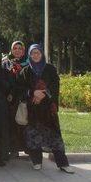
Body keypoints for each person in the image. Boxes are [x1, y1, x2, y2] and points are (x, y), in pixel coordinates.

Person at [16, 44, 74, 174]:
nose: (35, 55)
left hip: (48, 109)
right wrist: (32, 93)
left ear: (42, 54)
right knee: (33, 135)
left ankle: (63, 163)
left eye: (38, 53)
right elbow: (19, 89)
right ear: (29, 55)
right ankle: (36, 161)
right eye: (33, 53)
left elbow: (55, 86)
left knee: (55, 136)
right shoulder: (25, 71)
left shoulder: (50, 69)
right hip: (32, 109)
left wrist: (43, 94)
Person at [2, 41, 30, 156]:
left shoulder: (29, 63)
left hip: (24, 97)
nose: (17, 50)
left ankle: (28, 148)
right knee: (12, 123)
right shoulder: (6, 63)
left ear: (23, 51)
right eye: (15, 48)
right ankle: (14, 149)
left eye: (20, 48)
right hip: (10, 99)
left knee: (25, 123)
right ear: (11, 50)